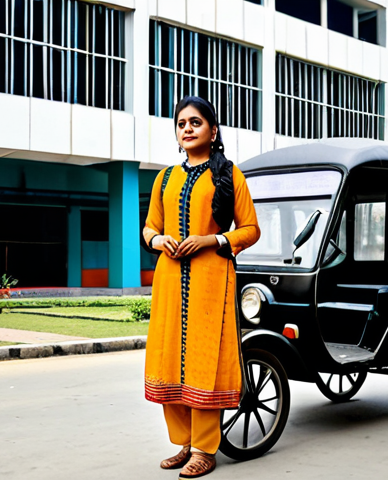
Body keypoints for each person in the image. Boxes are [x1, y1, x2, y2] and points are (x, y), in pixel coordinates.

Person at [142, 96, 260, 479]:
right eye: (181, 124)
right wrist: (159, 242)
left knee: (204, 359)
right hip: (170, 279)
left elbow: (250, 229)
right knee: (169, 356)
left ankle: (206, 449)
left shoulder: (229, 175)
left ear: (212, 130)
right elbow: (150, 228)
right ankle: (186, 443)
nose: (187, 128)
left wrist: (210, 241)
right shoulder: (164, 179)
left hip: (212, 278)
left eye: (195, 122)